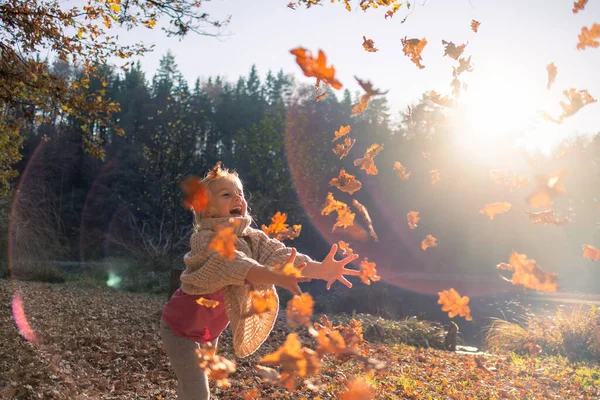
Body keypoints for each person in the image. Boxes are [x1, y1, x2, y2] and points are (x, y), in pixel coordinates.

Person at [159, 164, 360, 400]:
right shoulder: (206, 240)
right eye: (226, 194)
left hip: (207, 332)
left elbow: (282, 255)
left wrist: (321, 270)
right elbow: (236, 265)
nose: (237, 198)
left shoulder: (253, 238)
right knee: (198, 393)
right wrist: (275, 276)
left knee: (189, 389)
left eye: (240, 194)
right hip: (179, 330)